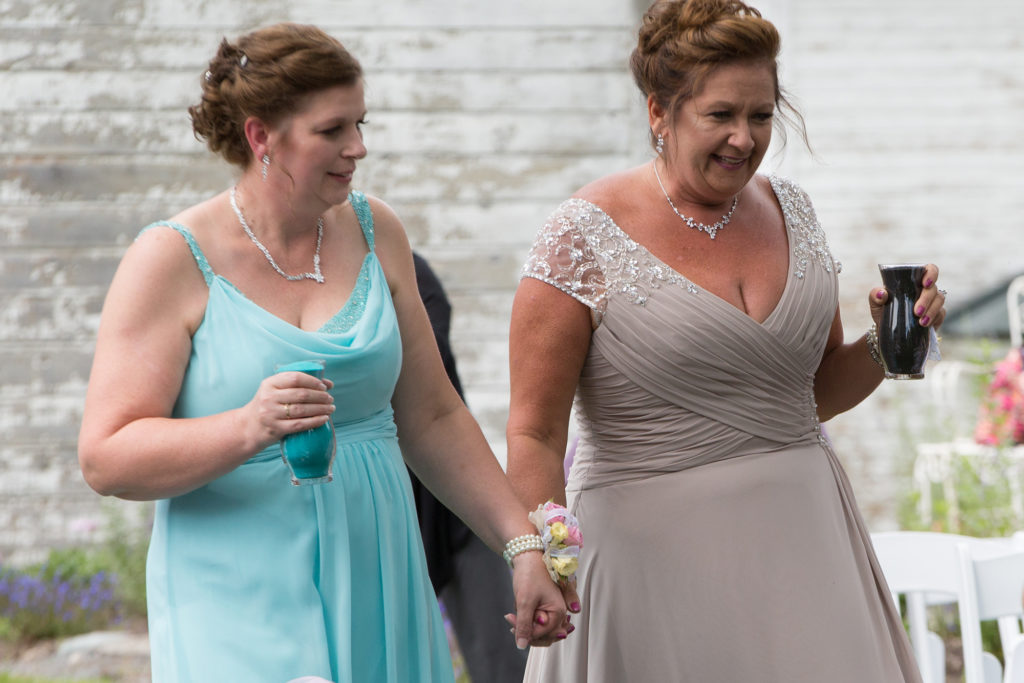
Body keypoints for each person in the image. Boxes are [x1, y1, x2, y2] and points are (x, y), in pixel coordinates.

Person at [76, 23, 567, 682]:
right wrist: (247, 426)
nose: (358, 146)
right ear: (261, 137)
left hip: (378, 571)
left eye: (360, 123)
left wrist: (522, 544)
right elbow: (106, 456)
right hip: (235, 589)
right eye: (332, 129)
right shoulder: (170, 258)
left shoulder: (376, 230)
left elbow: (433, 417)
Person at [505, 1, 948, 681]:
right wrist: (543, 557)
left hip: (806, 552)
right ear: (660, 112)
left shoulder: (794, 210)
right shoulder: (582, 234)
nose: (744, 138)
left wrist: (888, 339)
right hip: (648, 567)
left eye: (761, 115)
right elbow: (534, 432)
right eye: (721, 115)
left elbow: (808, 396)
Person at [409, 252, 528, 683]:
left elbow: (427, 390)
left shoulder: (406, 269)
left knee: (504, 657)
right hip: (380, 500)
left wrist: (523, 545)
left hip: (458, 504)